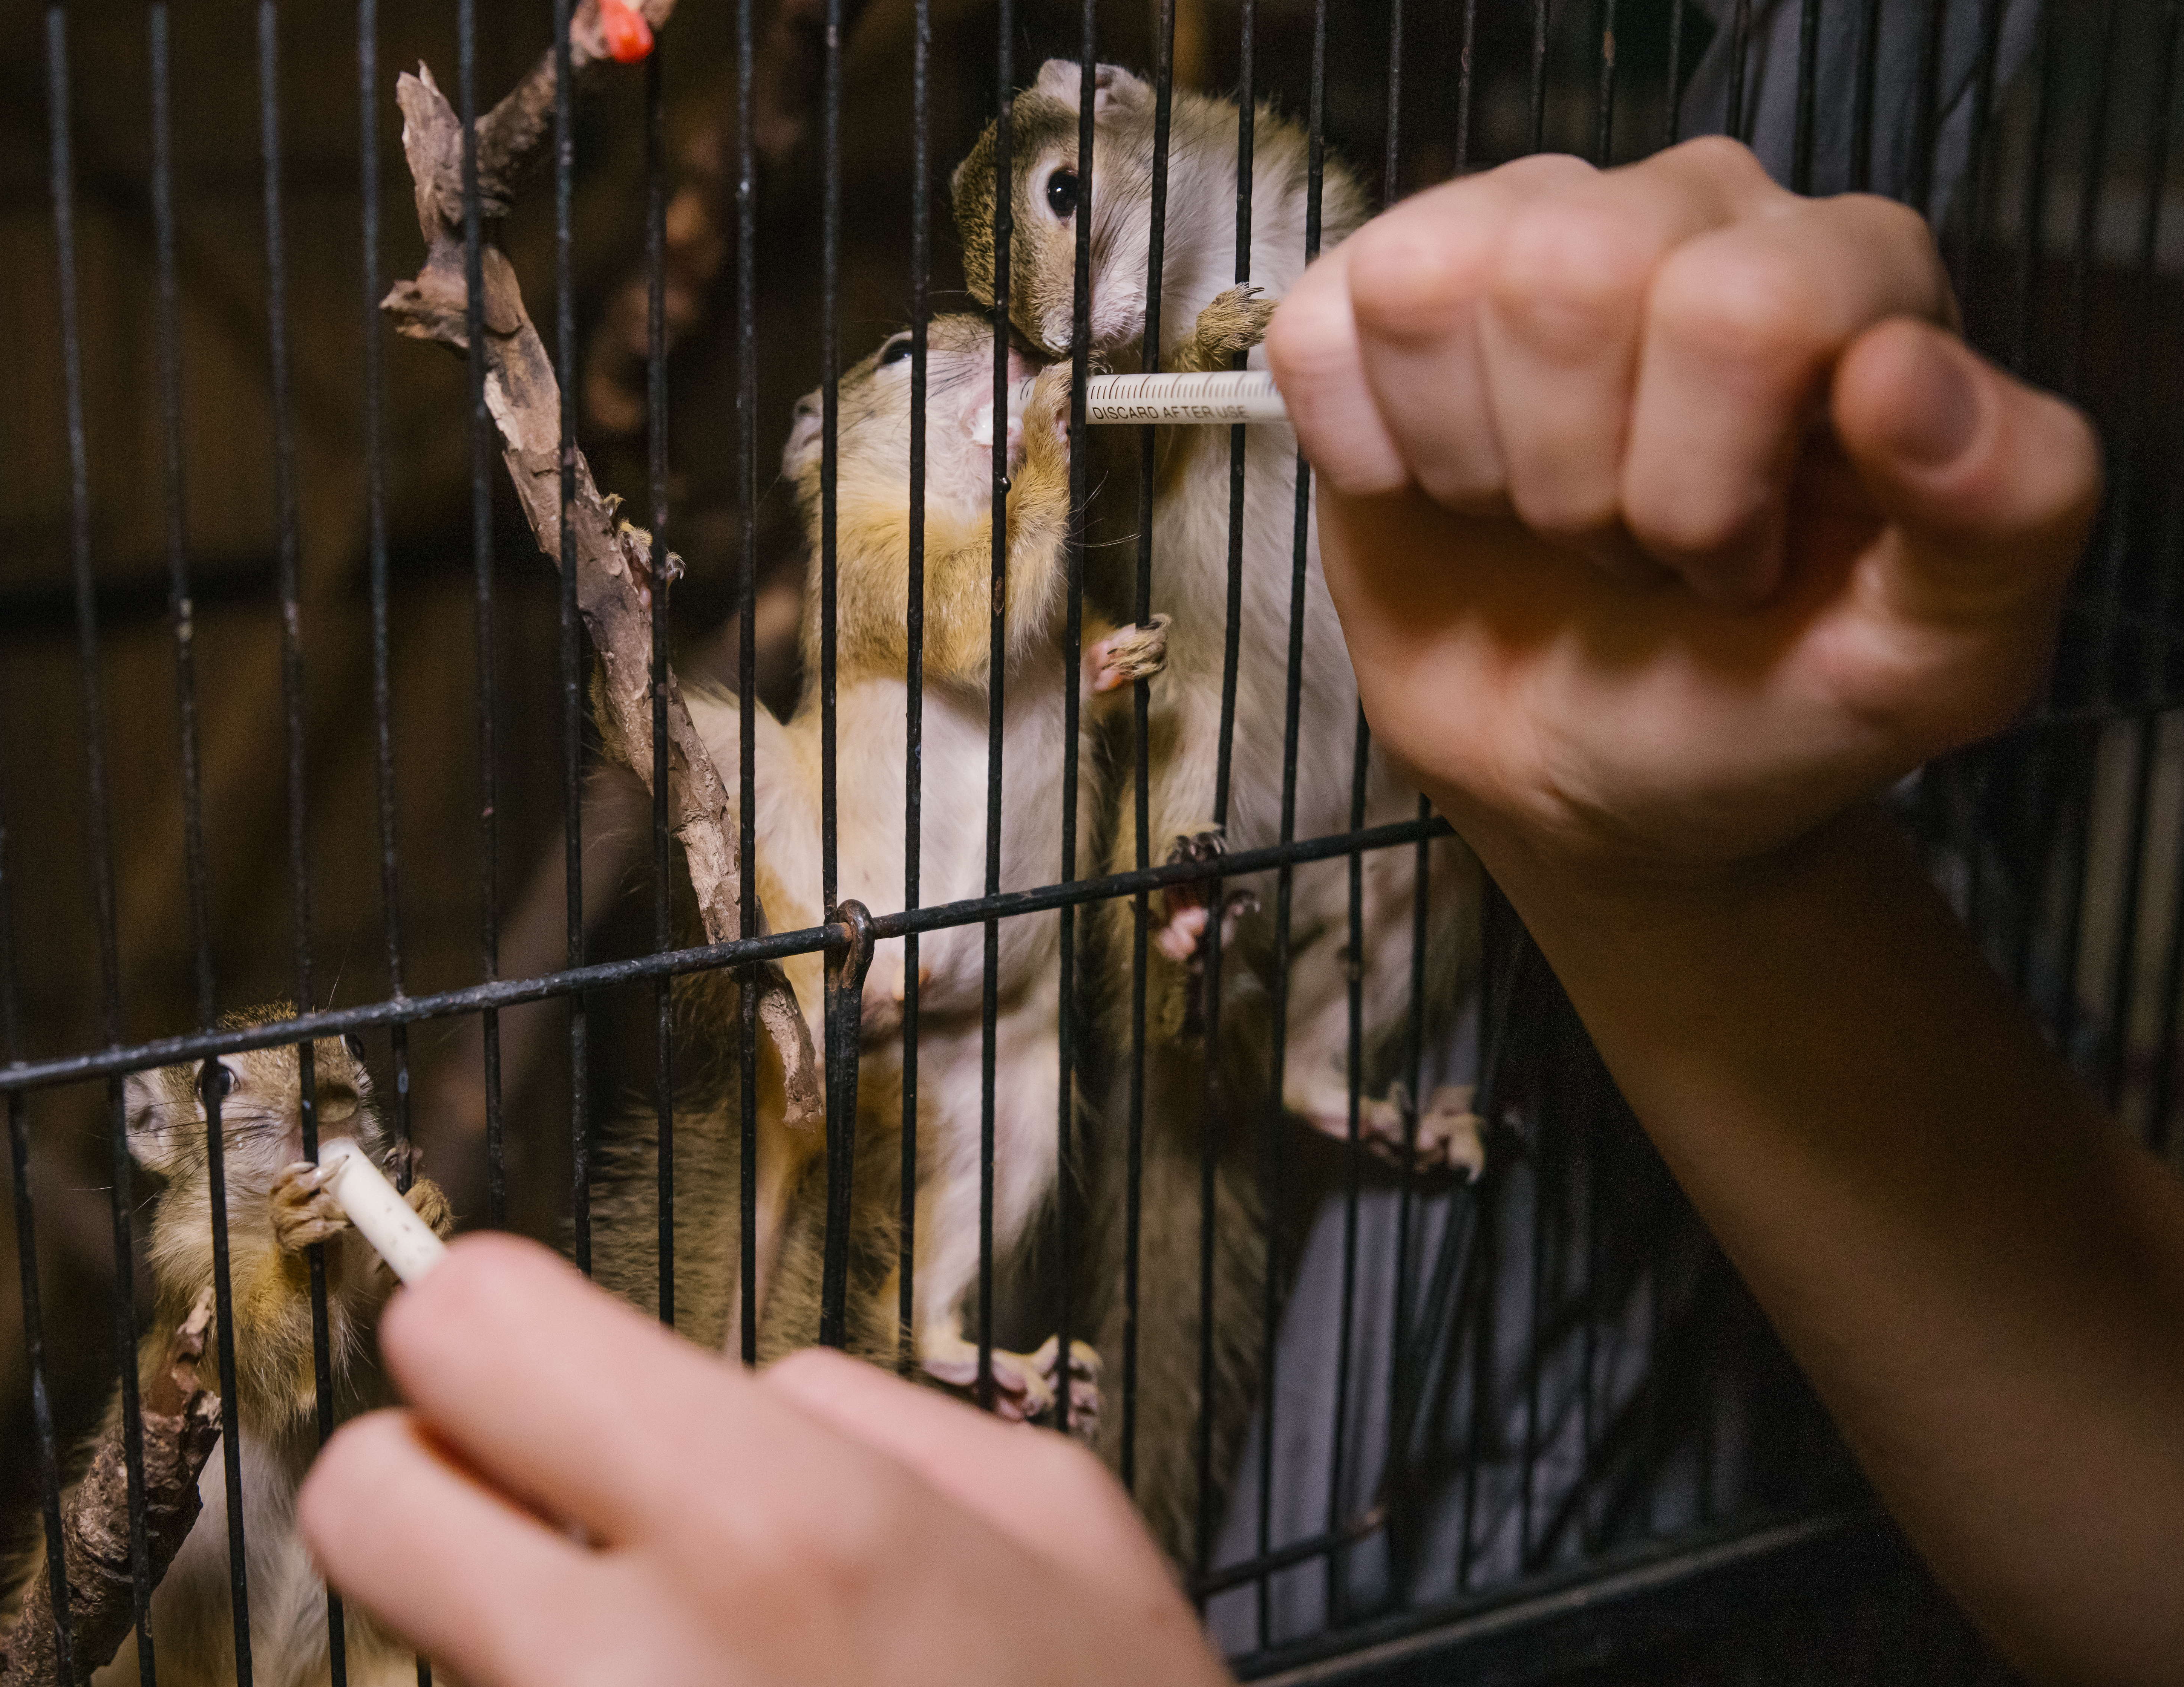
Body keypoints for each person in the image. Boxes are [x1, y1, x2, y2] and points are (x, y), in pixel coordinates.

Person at [296, 136, 2184, 1687]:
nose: (1001, 370)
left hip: (1106, 931)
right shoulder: (879, 540)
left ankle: (954, 1309)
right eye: (929, 374)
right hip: (925, 915)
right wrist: (1683, 879)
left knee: (1000, 1164)